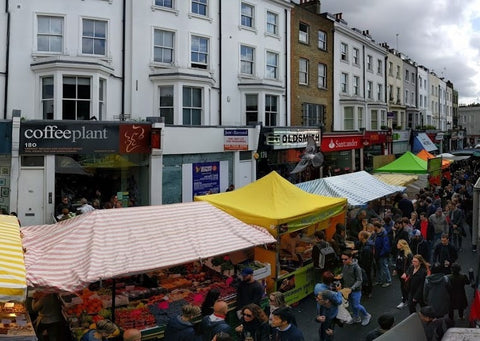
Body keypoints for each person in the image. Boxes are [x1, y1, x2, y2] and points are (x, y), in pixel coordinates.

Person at [339, 250, 371, 326]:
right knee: (352, 305)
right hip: (347, 289)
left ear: (350, 258)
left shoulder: (356, 267)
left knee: (356, 305)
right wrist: (341, 275)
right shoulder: (345, 265)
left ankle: (367, 315)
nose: (343, 261)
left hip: (355, 290)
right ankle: (356, 318)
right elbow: (344, 273)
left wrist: (352, 288)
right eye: (342, 259)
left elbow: (360, 280)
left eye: (345, 259)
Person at [395, 239, 413, 309]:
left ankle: (404, 301)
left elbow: (411, 265)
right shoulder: (399, 252)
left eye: (398, 244)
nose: (397, 245)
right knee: (403, 286)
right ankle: (406, 297)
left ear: (402, 245)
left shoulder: (408, 254)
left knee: (405, 286)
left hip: (405, 273)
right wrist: (395, 269)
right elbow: (397, 261)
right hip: (400, 273)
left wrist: (406, 273)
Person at [356, 231, 374, 299]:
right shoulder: (365, 244)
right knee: (367, 278)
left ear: (362, 237)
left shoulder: (367, 248)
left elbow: (365, 258)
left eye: (359, 235)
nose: (358, 236)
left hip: (365, 265)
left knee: (367, 278)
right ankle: (367, 290)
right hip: (366, 265)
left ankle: (368, 291)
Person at [373, 222, 391, 288]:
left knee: (384, 267)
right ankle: (380, 280)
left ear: (376, 227)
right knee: (379, 268)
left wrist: (381, 254)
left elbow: (385, 246)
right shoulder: (376, 234)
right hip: (377, 254)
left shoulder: (383, 234)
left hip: (381, 254)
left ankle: (388, 280)